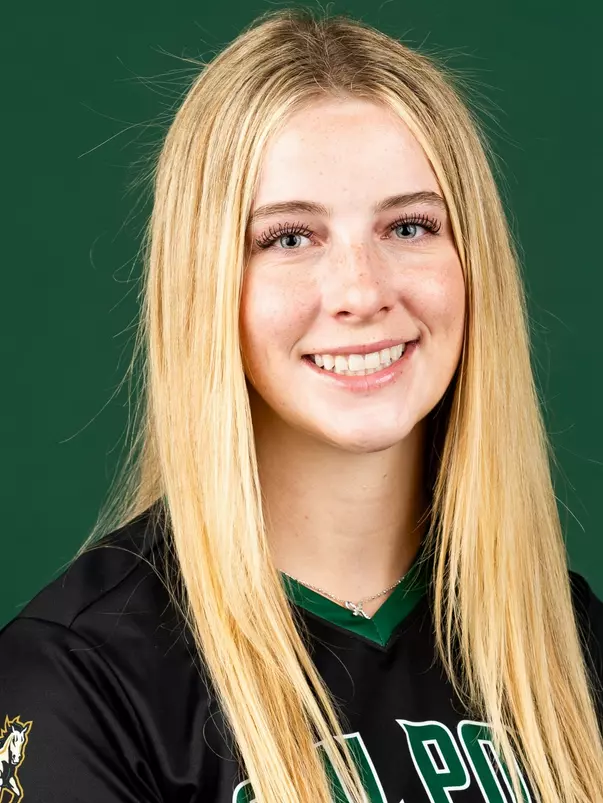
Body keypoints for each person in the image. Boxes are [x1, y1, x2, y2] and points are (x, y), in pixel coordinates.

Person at [1, 6, 602, 802]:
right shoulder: (78, 679)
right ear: (206, 285)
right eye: (288, 237)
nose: (361, 291)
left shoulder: (566, 638)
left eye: (410, 225)